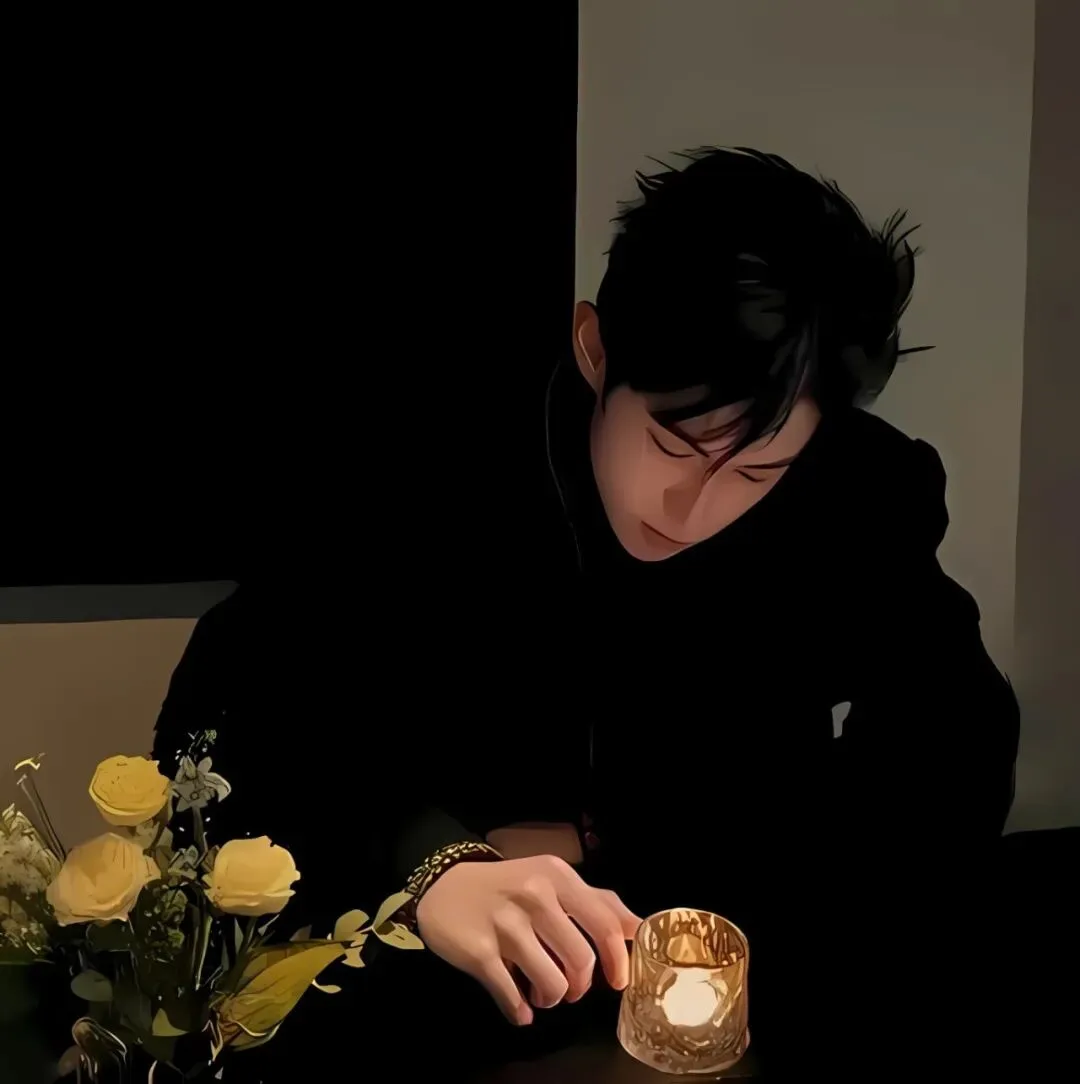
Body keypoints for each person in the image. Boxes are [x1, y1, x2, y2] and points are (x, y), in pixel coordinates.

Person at [154, 148, 1020, 1076]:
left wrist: (619, 843)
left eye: (759, 470)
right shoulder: (422, 462)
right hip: (423, 996)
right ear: (594, 348)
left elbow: (954, 748)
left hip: (722, 983)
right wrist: (434, 865)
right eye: (675, 445)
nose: (696, 508)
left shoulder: (857, 491)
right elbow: (233, 713)